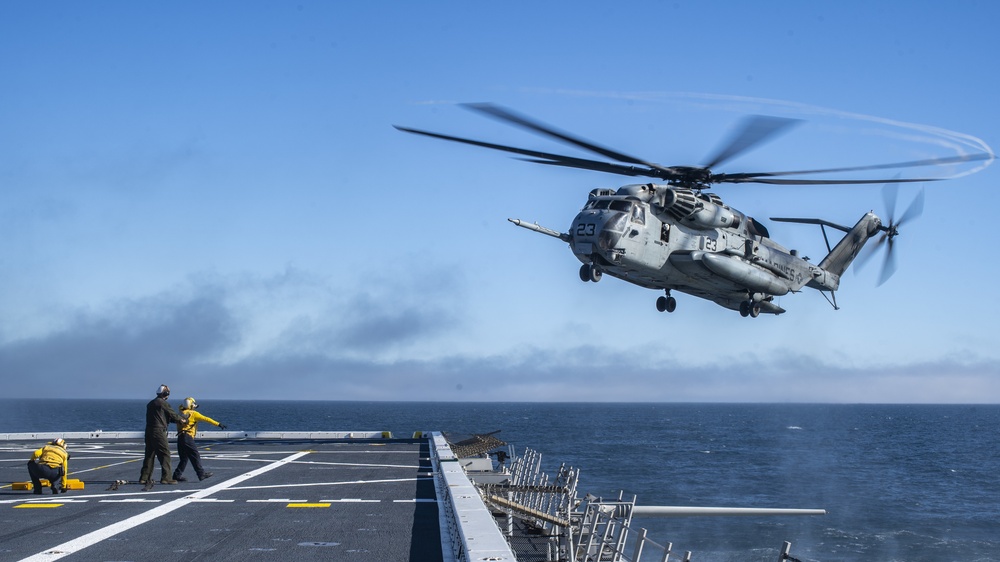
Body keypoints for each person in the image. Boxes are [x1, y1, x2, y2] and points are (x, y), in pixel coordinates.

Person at [139, 384, 187, 485]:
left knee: (149, 454)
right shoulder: (163, 403)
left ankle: (144, 477)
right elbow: (173, 415)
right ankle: (166, 478)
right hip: (159, 431)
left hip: (149, 430)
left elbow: (163, 417)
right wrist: (182, 420)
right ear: (166, 394)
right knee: (165, 454)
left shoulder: (151, 403)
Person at [172, 396, 226, 482]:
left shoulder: (180, 413)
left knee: (184, 458)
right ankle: (201, 474)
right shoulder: (193, 414)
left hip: (180, 437)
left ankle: (176, 475)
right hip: (188, 437)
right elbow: (206, 419)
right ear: (191, 405)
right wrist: (218, 424)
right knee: (195, 455)